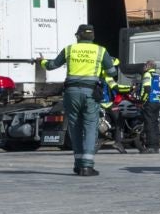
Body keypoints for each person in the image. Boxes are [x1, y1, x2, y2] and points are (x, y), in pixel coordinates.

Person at [37, 25, 117, 176]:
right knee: (90, 128)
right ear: (92, 36)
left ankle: (78, 164)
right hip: (90, 94)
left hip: (71, 93)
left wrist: (41, 61)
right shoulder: (100, 50)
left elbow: (51, 65)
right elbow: (112, 72)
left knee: (75, 128)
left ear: (78, 36)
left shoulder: (69, 49)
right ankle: (87, 166)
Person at [137, 59, 160, 152]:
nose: (144, 67)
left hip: (149, 102)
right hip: (157, 102)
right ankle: (156, 146)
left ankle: (151, 147)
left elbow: (147, 89)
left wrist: (142, 101)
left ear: (149, 66)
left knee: (149, 124)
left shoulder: (147, 75)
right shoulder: (159, 76)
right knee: (155, 124)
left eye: (145, 65)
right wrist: (159, 100)